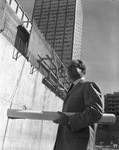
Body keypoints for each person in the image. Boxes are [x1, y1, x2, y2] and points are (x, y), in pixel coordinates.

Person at [53, 59, 103, 150]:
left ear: (83, 71)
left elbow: (95, 112)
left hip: (79, 144)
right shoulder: (72, 89)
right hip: (66, 143)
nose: (68, 70)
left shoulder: (88, 86)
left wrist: (69, 120)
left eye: (72, 67)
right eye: (67, 68)